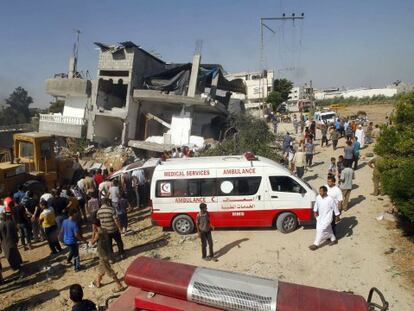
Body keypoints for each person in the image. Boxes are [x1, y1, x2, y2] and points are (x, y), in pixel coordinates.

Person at [90, 219, 125, 292]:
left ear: (95, 225)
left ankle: (119, 285)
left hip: (103, 254)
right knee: (101, 269)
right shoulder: (105, 230)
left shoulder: (98, 233)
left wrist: (93, 232)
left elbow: (92, 242)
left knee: (109, 271)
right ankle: (98, 283)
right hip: (107, 252)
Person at [309, 186, 340, 251]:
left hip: (328, 218)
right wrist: (315, 212)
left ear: (325, 192)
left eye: (321, 191)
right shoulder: (318, 197)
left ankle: (316, 244)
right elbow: (316, 205)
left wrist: (337, 217)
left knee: (320, 230)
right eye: (319, 191)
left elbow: (335, 209)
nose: (320, 192)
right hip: (320, 217)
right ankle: (333, 239)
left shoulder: (330, 199)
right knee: (328, 229)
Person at [0, 210, 23, 275]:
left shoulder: (0, 225)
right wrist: (17, 239)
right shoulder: (11, 223)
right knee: (15, 253)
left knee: (9, 255)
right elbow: (15, 233)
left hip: (5, 243)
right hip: (12, 241)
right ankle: (19, 265)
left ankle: (14, 267)